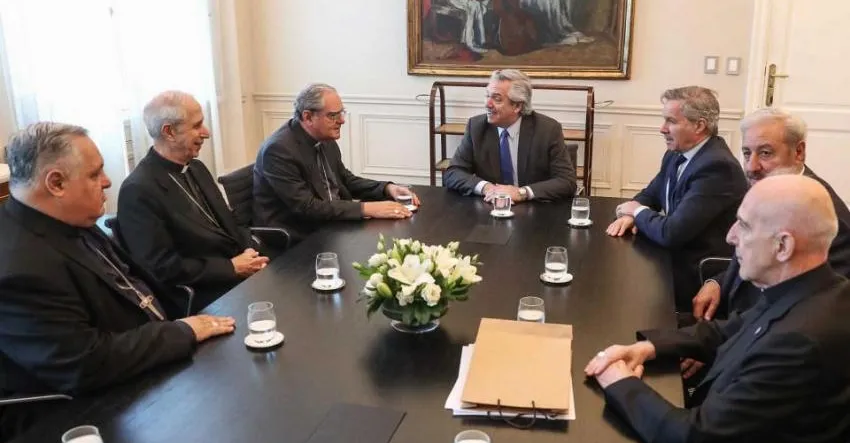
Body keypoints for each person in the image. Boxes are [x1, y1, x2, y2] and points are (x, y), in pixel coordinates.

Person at [586, 175, 850, 443]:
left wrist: (621, 384)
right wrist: (650, 347)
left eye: (744, 226)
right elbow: (732, 329)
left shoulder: (800, 342)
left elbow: (694, 437)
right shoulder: (816, 289)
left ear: (783, 246)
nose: (730, 236)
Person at [0, 122, 235, 443]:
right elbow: (85, 364)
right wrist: (182, 332)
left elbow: (131, 284)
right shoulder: (18, 267)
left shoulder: (68, 218)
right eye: (95, 174)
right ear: (56, 183)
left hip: (146, 369)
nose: (107, 181)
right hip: (82, 422)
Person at [692, 107, 850, 321]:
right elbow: (757, 256)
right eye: (747, 153)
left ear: (799, 152)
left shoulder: (822, 216)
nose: (751, 167)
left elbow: (806, 311)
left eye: (765, 153)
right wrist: (718, 283)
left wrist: (722, 341)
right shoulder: (771, 188)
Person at [118, 91, 269, 311]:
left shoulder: (195, 168)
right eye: (197, 126)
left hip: (240, 272)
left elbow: (230, 223)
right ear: (169, 132)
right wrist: (230, 268)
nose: (206, 133)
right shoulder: (138, 190)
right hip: (203, 292)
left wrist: (251, 252)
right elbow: (162, 267)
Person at [606, 86, 748, 310]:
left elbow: (672, 233)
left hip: (697, 275)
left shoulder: (717, 167)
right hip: (671, 259)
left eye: (671, 121)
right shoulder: (676, 154)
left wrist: (637, 211)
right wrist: (631, 214)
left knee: (617, 295)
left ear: (699, 125)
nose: (662, 129)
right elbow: (651, 193)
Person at [253, 83, 418, 243]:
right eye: (333, 115)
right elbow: (306, 207)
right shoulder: (278, 150)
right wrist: (367, 209)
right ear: (308, 117)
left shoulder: (324, 136)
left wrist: (387, 188)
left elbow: (345, 180)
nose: (342, 120)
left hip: (331, 224)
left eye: (341, 113)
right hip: (300, 235)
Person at [443, 69, 577, 203]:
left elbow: (567, 181)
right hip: (490, 207)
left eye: (496, 98)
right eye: (487, 96)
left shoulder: (547, 130)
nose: (488, 104)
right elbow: (453, 173)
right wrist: (487, 188)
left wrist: (522, 192)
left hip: (535, 209)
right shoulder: (476, 127)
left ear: (517, 106)